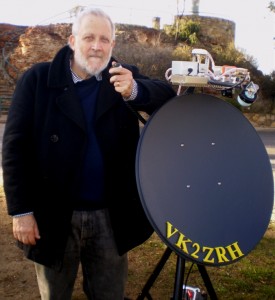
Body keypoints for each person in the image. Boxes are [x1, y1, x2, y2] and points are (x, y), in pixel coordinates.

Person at [2, 7, 176, 300]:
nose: (97, 46)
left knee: (108, 293)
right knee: (55, 294)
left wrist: (134, 90)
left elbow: (167, 94)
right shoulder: (37, 79)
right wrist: (21, 212)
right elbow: (14, 148)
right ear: (72, 41)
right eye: (89, 37)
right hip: (53, 215)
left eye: (104, 40)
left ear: (112, 45)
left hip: (109, 215)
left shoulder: (120, 76)